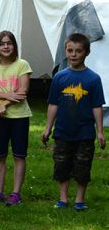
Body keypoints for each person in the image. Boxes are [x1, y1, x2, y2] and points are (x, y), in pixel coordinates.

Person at [41, 33, 105, 211]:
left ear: (87, 53)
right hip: (62, 132)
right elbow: (53, 104)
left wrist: (100, 131)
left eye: (78, 51)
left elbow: (97, 107)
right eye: (70, 50)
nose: (74, 54)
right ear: (65, 51)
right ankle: (63, 198)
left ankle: (79, 200)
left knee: (83, 166)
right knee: (62, 164)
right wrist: (48, 128)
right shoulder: (59, 78)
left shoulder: (93, 79)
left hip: (85, 133)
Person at [0, 31, 32, 206]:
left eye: (9, 43)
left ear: (14, 46)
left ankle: (16, 194)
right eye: (2, 43)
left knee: (19, 155)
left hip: (20, 117)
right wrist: (8, 96)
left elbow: (23, 92)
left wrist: (4, 104)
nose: (6, 46)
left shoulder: (22, 64)